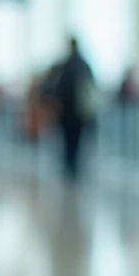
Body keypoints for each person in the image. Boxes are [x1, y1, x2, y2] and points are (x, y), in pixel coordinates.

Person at [42, 37, 99, 180]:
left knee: (68, 142)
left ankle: (69, 168)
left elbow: (57, 87)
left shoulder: (65, 65)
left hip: (67, 113)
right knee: (77, 141)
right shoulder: (84, 65)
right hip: (81, 113)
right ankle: (74, 168)